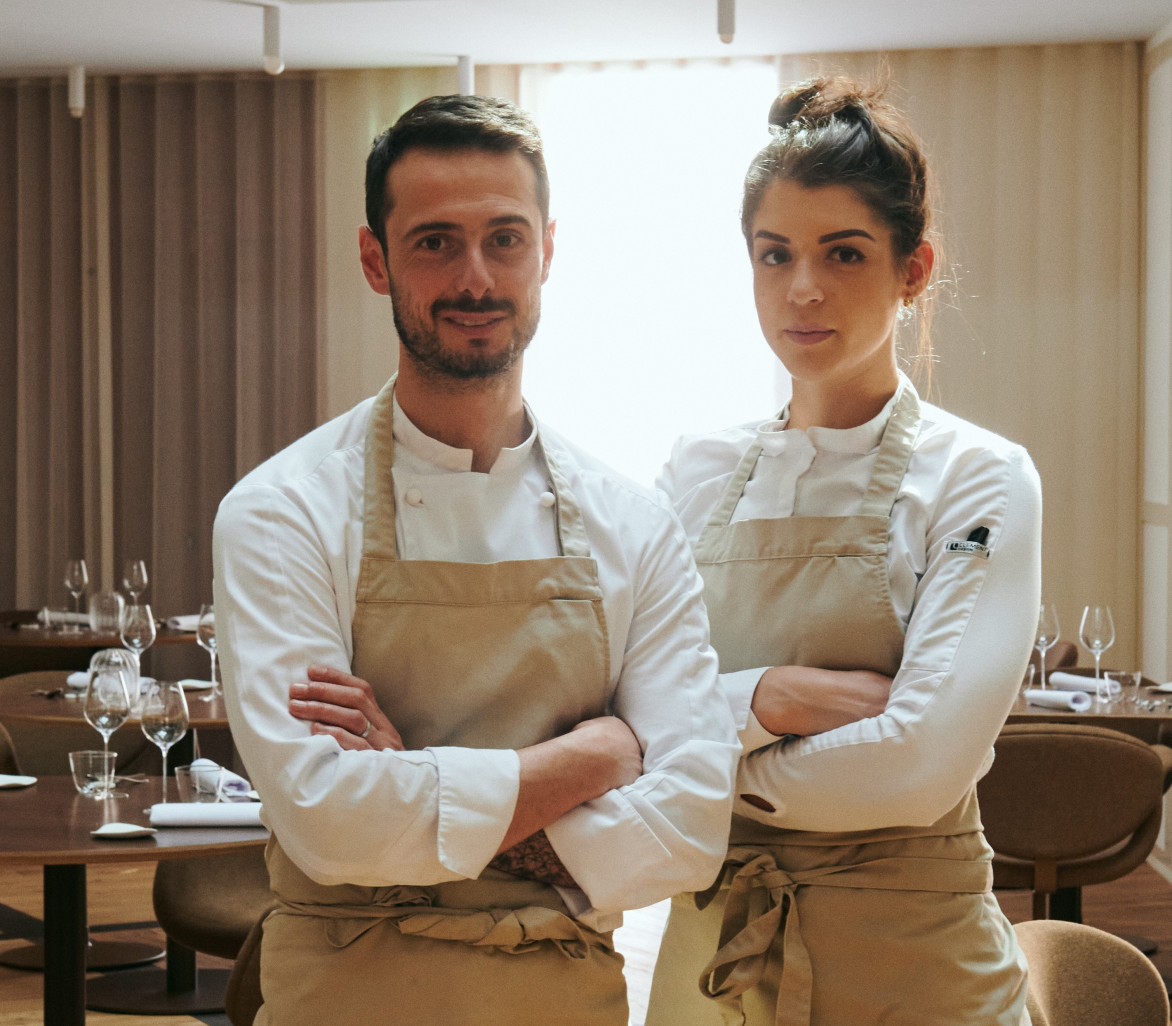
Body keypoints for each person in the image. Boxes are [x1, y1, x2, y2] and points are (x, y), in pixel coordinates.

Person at [212, 94, 740, 1025]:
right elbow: (326, 821)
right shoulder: (281, 512)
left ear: (548, 251)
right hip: (346, 998)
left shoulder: (636, 525)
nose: (475, 277)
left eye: (505, 238)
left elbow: (691, 833)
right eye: (434, 243)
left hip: (563, 1000)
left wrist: (410, 772)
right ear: (375, 260)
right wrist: (590, 759)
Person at [646, 77, 1041, 1025]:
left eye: (844, 252)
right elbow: (615, 707)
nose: (803, 287)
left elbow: (916, 766)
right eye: (773, 254)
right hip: (712, 968)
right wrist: (765, 698)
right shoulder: (693, 472)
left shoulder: (980, 478)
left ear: (915, 270)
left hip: (916, 970)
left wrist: (695, 759)